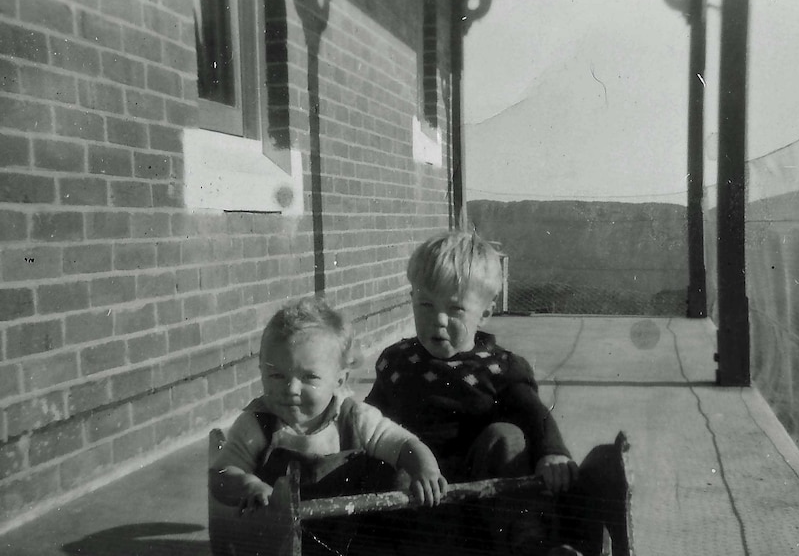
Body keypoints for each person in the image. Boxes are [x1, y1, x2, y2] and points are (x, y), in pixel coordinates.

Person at [366, 230, 628, 556]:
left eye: (456, 309)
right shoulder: (398, 362)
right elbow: (368, 417)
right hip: (419, 492)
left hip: (486, 493)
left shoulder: (498, 368)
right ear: (411, 299)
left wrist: (552, 452)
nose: (438, 320)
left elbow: (534, 414)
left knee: (507, 437)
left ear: (486, 312)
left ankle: (532, 545)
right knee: (381, 456)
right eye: (426, 305)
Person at [210, 296, 448, 556]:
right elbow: (221, 473)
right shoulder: (257, 424)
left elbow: (403, 443)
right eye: (276, 375)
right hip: (279, 544)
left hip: (347, 538)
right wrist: (247, 484)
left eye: (309, 377)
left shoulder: (355, 418)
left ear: (339, 379)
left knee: (399, 479)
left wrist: (426, 469)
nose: (290, 389)